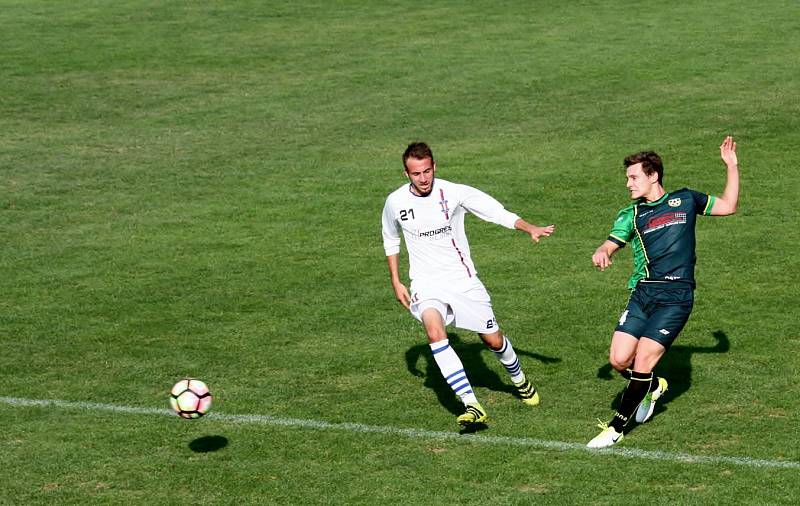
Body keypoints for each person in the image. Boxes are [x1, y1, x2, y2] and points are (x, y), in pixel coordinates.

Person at [381, 141, 555, 429]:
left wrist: (529, 228)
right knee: (435, 332)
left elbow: (495, 211)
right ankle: (471, 404)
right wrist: (396, 280)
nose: (423, 179)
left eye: (427, 171)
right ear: (406, 173)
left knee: (493, 340)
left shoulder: (454, 192)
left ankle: (519, 379)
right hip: (426, 284)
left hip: (462, 281)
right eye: (416, 174)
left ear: (434, 167)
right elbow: (390, 238)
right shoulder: (395, 202)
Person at [587, 136, 740, 448]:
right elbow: (611, 242)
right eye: (627, 178)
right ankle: (653, 387)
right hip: (642, 294)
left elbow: (728, 206)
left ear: (652, 175)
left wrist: (731, 167)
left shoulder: (686, 199)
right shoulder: (631, 214)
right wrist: (603, 251)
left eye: (634, 177)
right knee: (619, 360)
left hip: (676, 296)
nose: (629, 184)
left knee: (642, 361)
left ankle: (616, 428)